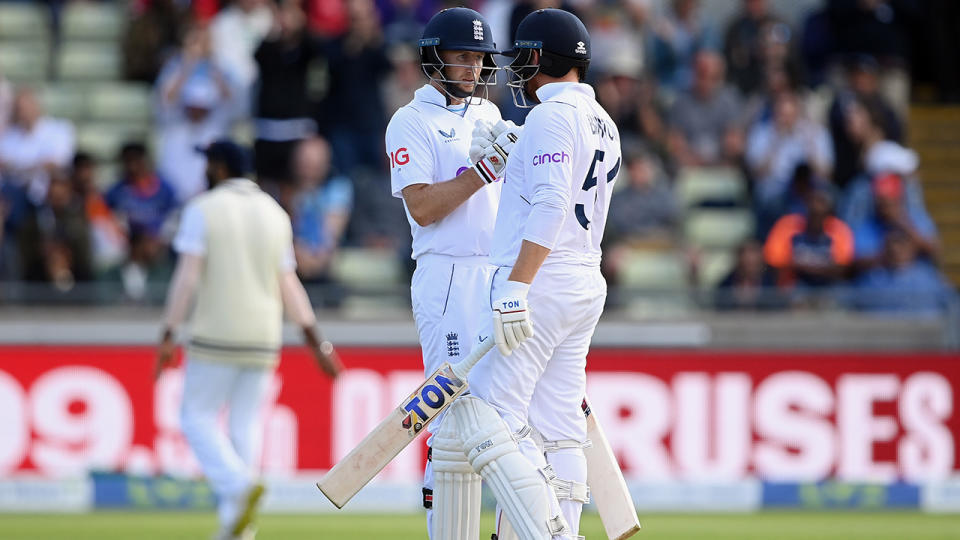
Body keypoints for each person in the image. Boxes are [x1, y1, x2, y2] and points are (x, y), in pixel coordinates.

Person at [450, 9, 621, 540]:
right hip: (583, 278)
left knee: (490, 414)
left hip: (540, 280)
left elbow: (549, 201)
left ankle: (545, 533)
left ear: (540, 58)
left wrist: (517, 286)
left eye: (522, 58)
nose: (516, 70)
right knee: (560, 425)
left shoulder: (551, 116)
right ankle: (561, 527)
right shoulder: (603, 120)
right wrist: (510, 149)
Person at [154, 139, 342, 540]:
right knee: (244, 424)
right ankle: (238, 529)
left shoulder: (202, 210)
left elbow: (186, 279)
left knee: (195, 417)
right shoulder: (274, 213)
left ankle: (236, 485)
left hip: (214, 334)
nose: (205, 170)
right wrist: (317, 342)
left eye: (209, 164)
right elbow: (288, 284)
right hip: (263, 337)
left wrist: (169, 333)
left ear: (220, 168)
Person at [383, 7, 508, 540]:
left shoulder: (489, 114)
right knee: (451, 418)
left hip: (499, 274)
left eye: (479, 59)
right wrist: (482, 172)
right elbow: (424, 208)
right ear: (434, 58)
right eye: (462, 57)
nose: (474, 69)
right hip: (448, 276)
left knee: (505, 417)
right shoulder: (409, 121)